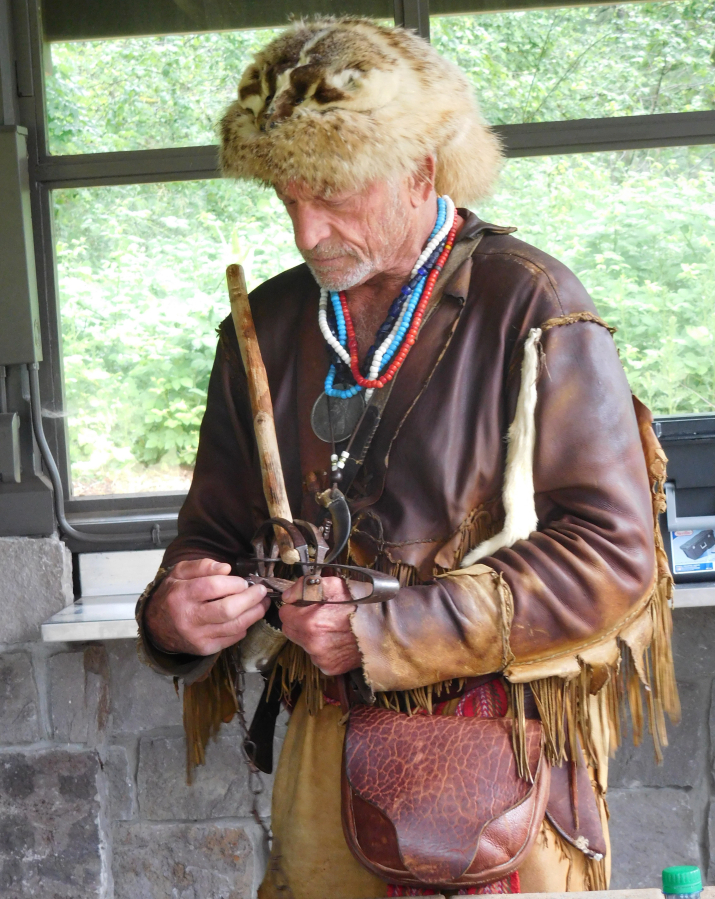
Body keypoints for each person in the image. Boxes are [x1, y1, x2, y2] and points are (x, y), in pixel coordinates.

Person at [136, 17, 678, 899]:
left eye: (335, 195)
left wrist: (387, 627)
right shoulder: (266, 324)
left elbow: (613, 553)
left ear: (421, 171)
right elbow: (215, 536)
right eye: (287, 197)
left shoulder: (530, 301)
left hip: (496, 755)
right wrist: (176, 615)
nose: (308, 232)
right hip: (324, 754)